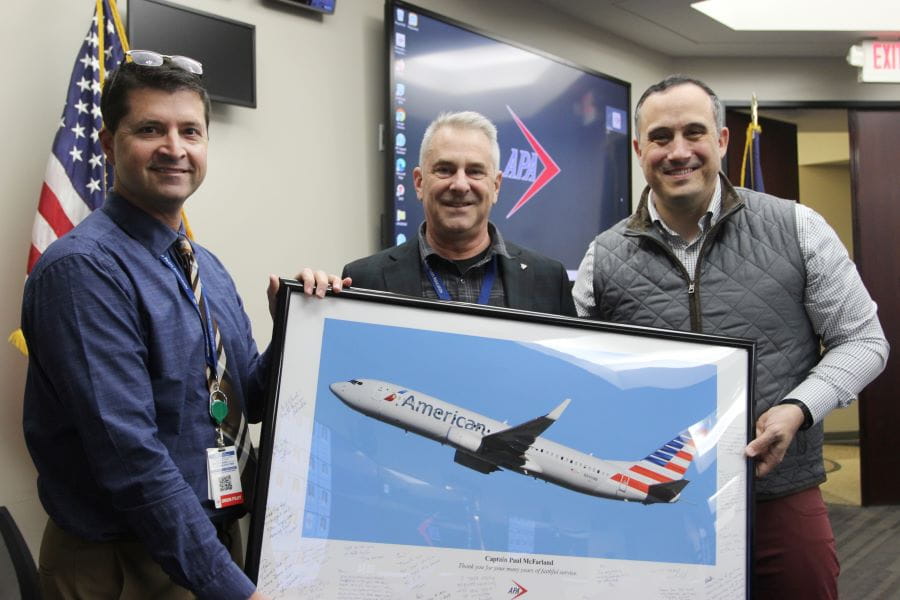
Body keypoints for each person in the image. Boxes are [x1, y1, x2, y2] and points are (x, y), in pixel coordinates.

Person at [21, 52, 346, 600]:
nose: (175, 148)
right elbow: (132, 458)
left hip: (209, 543)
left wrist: (299, 328)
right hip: (122, 564)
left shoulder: (204, 267)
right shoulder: (83, 270)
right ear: (107, 142)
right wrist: (234, 590)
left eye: (190, 131)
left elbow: (246, 400)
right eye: (150, 129)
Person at [573, 75, 888, 598]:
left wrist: (797, 408)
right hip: (655, 505)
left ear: (721, 140)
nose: (679, 152)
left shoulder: (797, 227)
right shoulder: (601, 258)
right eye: (660, 137)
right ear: (638, 150)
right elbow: (581, 368)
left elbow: (864, 340)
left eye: (694, 132)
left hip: (779, 496)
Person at [343, 111, 576, 316]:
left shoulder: (550, 280)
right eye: (445, 170)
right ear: (419, 182)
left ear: (495, 186)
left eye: (475, 171)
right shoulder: (364, 279)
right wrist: (312, 299)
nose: (460, 185)